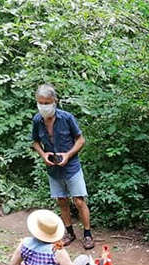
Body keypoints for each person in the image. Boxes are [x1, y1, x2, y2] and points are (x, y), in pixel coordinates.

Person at [30, 84, 94, 250]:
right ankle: (69, 233)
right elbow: (35, 142)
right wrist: (43, 154)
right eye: (40, 102)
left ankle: (87, 235)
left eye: (47, 102)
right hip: (53, 168)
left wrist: (68, 155)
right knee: (62, 201)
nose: (43, 106)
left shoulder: (66, 118)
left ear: (55, 101)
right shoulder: (37, 120)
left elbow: (81, 140)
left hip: (71, 166)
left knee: (79, 201)